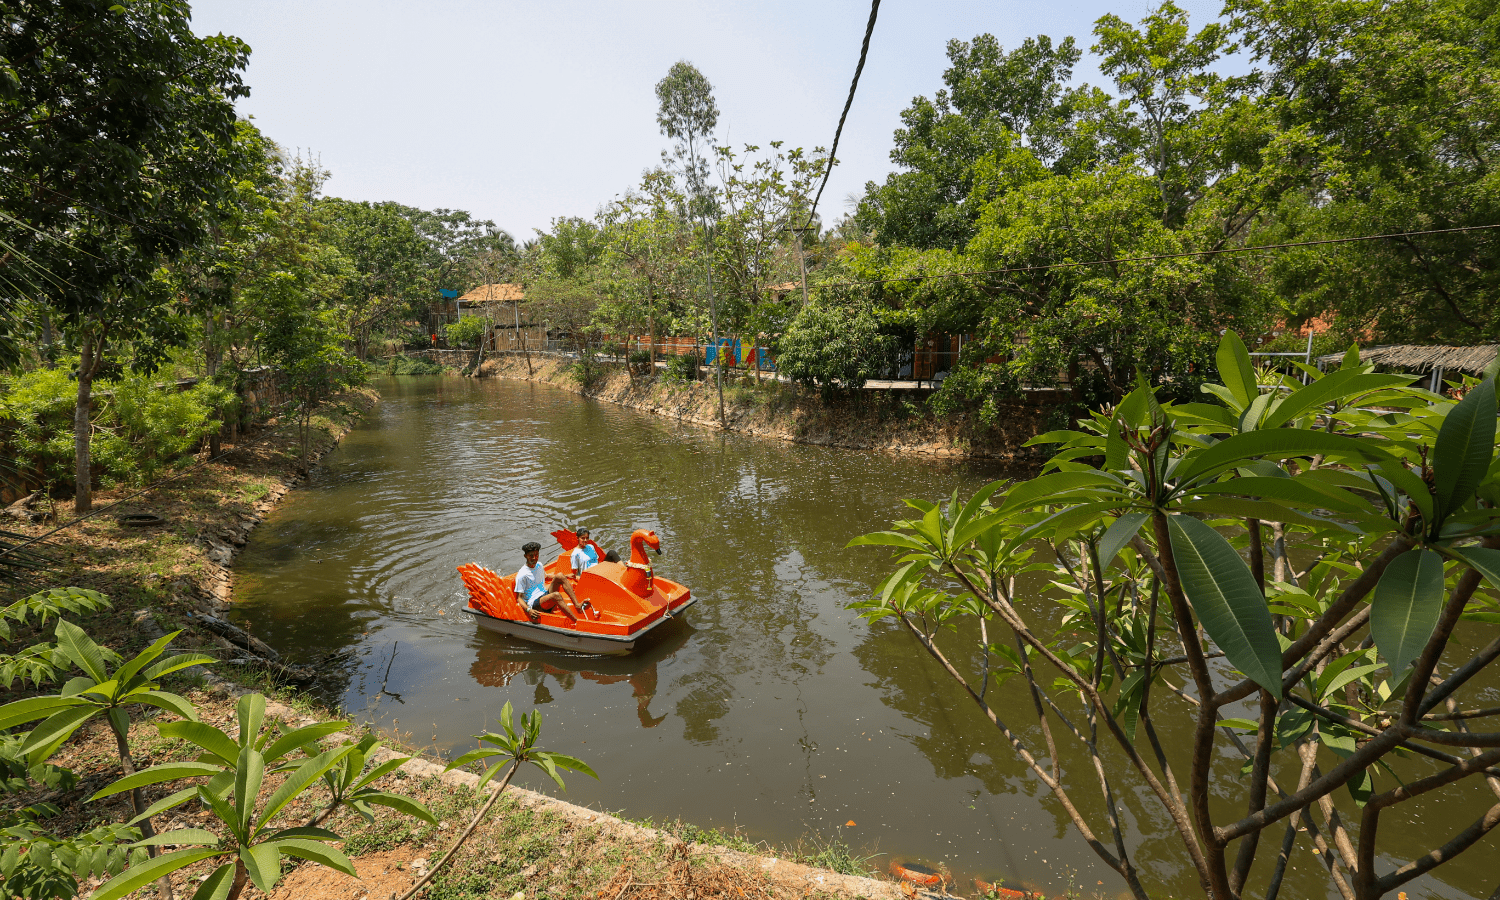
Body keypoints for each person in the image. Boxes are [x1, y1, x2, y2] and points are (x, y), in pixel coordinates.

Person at [515, 542, 585, 623]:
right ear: (525, 556)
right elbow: (519, 598)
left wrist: (567, 576)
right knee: (556, 595)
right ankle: (576, 621)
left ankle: (577, 605)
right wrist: (529, 610)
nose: (534, 558)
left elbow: (547, 576)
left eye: (536, 555)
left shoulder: (539, 565)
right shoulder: (522, 574)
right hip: (535, 603)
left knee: (560, 575)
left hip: (544, 594)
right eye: (531, 556)